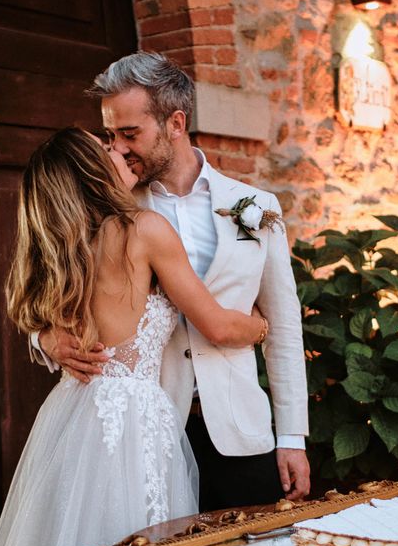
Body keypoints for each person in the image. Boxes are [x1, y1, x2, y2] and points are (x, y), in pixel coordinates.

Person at [0, 128, 261, 546]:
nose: (121, 151)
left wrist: (45, 341)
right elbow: (215, 324)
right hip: (136, 423)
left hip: (73, 416)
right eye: (107, 148)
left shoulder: (58, 245)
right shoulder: (143, 230)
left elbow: (32, 320)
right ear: (93, 170)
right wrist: (265, 323)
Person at [31, 52, 310, 511]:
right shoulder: (109, 208)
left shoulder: (256, 205)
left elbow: (284, 328)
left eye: (129, 134)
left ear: (175, 123)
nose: (117, 149)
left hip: (240, 433)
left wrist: (293, 436)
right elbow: (47, 287)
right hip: (144, 435)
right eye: (110, 135)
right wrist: (46, 341)